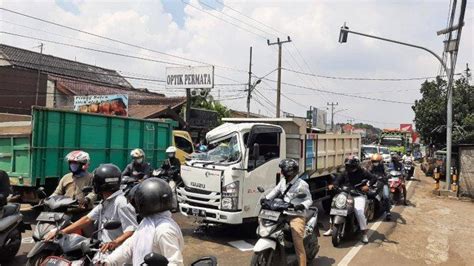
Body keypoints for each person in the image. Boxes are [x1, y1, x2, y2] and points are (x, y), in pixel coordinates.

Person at [45, 164, 138, 253]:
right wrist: (61, 232)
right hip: (102, 249)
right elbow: (87, 219)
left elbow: (131, 230)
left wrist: (115, 242)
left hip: (115, 253)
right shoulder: (105, 202)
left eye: (95, 182)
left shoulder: (120, 202)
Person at [102, 178, 184, 266]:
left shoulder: (164, 230)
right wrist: (107, 261)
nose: (136, 206)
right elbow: (129, 247)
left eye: (139, 202)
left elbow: (175, 263)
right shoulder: (147, 224)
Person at [262, 159, 312, 266]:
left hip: (296, 215)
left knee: (297, 242)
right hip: (282, 212)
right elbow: (275, 191)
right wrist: (265, 199)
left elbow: (309, 200)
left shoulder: (301, 185)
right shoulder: (283, 181)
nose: (282, 173)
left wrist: (301, 205)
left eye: (283, 170)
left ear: (291, 172)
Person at [327, 155, 377, 244]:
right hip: (344, 194)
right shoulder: (344, 172)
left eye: (351, 166)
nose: (349, 167)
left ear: (356, 165)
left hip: (358, 195)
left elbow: (373, 178)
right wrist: (333, 185)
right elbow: (337, 180)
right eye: (348, 165)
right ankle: (331, 228)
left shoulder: (362, 172)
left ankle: (364, 234)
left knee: (359, 212)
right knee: (334, 207)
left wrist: (367, 186)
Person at [369, 154, 392, 220]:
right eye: (373, 161)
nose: (375, 163)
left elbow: (388, 173)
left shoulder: (383, 166)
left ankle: (388, 213)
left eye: (376, 161)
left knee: (386, 196)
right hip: (372, 183)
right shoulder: (370, 167)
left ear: (380, 161)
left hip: (383, 183)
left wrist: (386, 176)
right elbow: (366, 172)